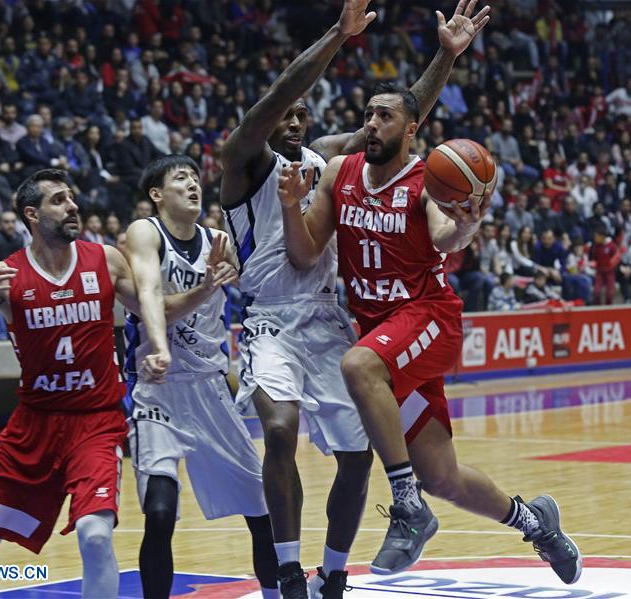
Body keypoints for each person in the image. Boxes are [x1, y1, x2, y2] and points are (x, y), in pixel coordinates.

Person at [219, 1, 490, 597]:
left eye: (302, 117)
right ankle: (288, 569)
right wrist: (339, 36)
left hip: (327, 315)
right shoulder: (241, 164)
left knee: (358, 450)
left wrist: (446, 55)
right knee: (281, 429)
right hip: (267, 321)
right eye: (283, 116)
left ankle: (335, 572)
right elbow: (283, 94)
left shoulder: (326, 162)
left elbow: (398, 123)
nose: (294, 121)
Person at [277, 84, 581, 585]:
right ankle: (538, 523)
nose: (372, 123)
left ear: (411, 129)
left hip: (428, 319)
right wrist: (291, 206)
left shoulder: (427, 182)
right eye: (369, 114)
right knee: (443, 476)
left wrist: (467, 224)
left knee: (357, 365)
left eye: (386, 116)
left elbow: (445, 236)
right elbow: (305, 253)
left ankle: (406, 505)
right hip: (383, 335)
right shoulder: (340, 172)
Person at [0, 169, 201, 599]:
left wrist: (206, 289)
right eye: (59, 200)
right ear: (32, 215)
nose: (73, 206)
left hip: (95, 423)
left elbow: (158, 310)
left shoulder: (105, 260)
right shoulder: (3, 275)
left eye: (72, 198)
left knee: (95, 537)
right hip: (32, 425)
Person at [123, 155, 279, 598]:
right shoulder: (144, 232)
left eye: (195, 178)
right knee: (159, 513)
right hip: (160, 391)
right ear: (157, 194)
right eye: (180, 179)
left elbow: (258, 289)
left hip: (212, 389)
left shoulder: (220, 241)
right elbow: (152, 294)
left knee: (261, 511)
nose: (193, 184)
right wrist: (160, 342)